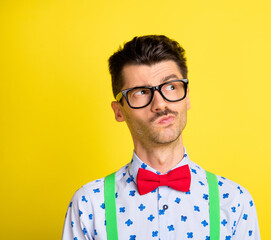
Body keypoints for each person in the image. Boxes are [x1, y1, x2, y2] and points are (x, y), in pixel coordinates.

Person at [62, 35, 260, 240]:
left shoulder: (235, 201)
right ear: (118, 111)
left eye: (171, 87)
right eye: (141, 92)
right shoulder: (89, 204)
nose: (160, 104)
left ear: (187, 97)